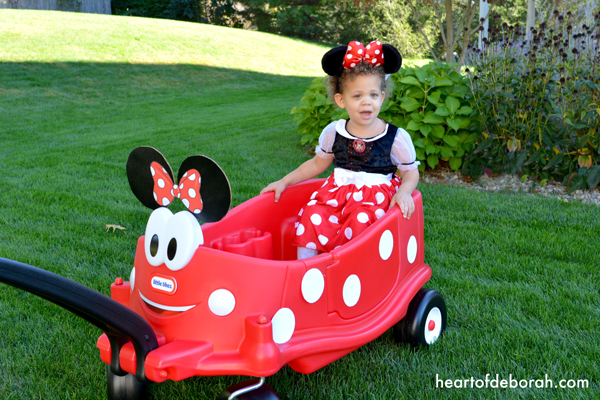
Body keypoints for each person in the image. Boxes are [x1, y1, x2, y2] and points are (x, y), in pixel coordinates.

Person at [261, 40, 420, 259]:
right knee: (313, 213)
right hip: (337, 197)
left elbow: (410, 172)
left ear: (382, 98)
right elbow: (316, 164)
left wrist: (404, 192)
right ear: (341, 100)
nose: (366, 102)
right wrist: (284, 182)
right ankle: (306, 270)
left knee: (360, 220)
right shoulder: (334, 133)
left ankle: (353, 273)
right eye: (357, 96)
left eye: (373, 95)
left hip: (374, 201)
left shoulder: (395, 137)